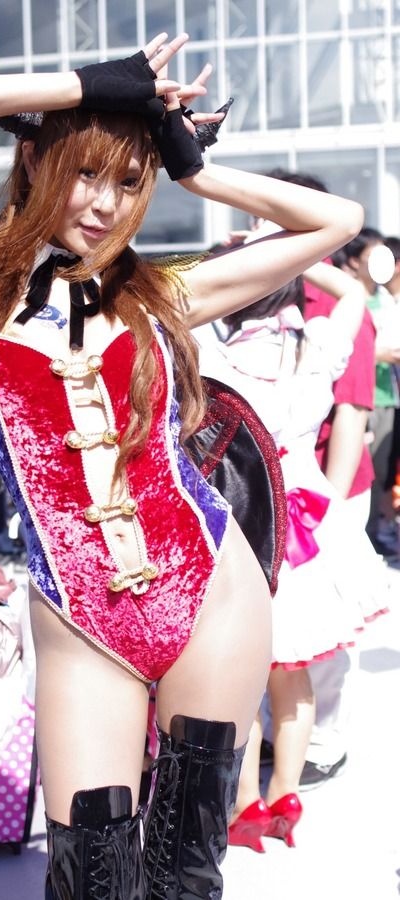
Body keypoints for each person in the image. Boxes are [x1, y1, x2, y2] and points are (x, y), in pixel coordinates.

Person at [0, 27, 364, 897]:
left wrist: (195, 171)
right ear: (38, 162)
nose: (103, 204)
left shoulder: (162, 291)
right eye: (86, 173)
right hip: (80, 626)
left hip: (212, 597)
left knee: (185, 875)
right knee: (92, 879)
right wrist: (83, 85)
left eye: (130, 183)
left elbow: (338, 224)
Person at [197, 259, 388, 852]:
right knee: (293, 673)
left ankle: (245, 806)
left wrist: (235, 259)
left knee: (244, 678)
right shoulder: (317, 345)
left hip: (244, 526)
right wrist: (297, 251)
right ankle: (285, 795)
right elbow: (353, 291)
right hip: (307, 531)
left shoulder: (211, 355)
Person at [264, 170, 377, 790]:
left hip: (329, 487)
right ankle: (285, 737)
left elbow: (353, 413)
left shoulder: (330, 303)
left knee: (327, 629)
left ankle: (325, 741)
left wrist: (325, 507)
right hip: (282, 491)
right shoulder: (268, 289)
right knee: (287, 631)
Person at [335, 227, 400, 554]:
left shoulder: (386, 299)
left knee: (381, 471)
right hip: (355, 396)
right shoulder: (345, 298)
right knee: (356, 469)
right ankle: (353, 538)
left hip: (386, 394)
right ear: (354, 261)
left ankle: (373, 533)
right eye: (372, 257)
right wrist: (377, 354)